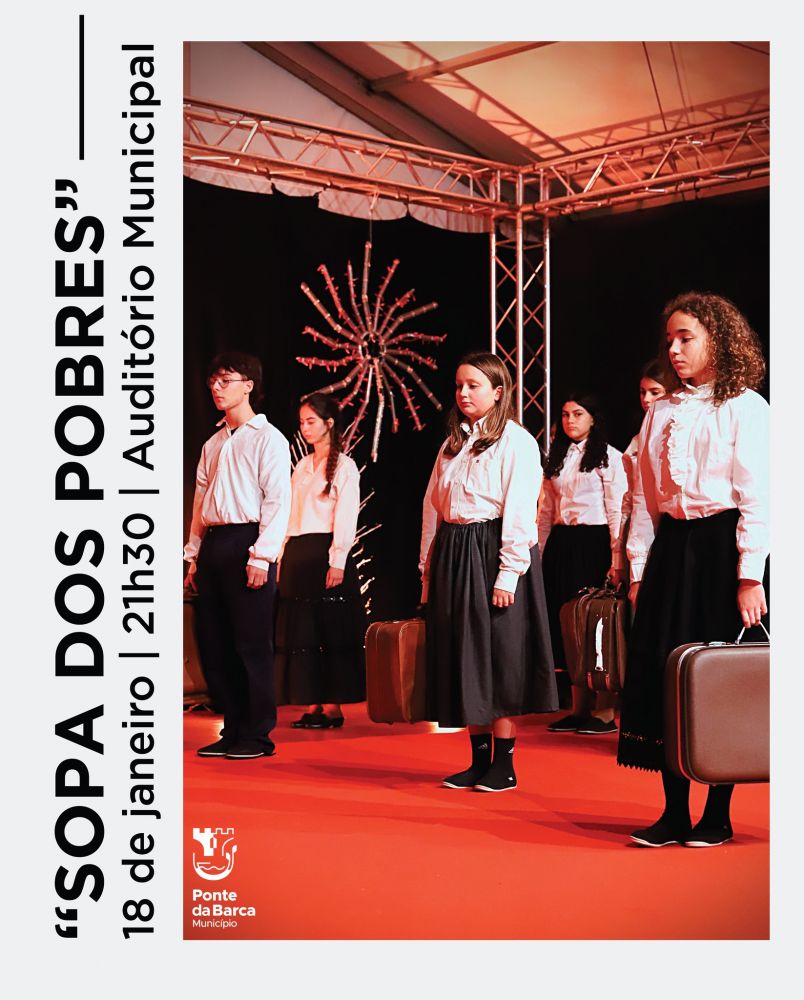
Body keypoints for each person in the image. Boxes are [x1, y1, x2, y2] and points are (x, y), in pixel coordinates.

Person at [619, 292, 768, 847]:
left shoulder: (746, 407)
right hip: (672, 548)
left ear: (718, 340)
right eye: (671, 341)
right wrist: (639, 569)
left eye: (687, 338)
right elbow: (645, 498)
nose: (675, 350)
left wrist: (750, 575)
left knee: (716, 678)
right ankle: (674, 813)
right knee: (668, 673)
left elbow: (759, 496)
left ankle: (718, 814)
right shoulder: (661, 411)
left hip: (722, 549)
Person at [419, 351, 557, 792]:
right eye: (459, 385)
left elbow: (520, 509)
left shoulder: (516, 442)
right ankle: (478, 761)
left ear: (498, 392)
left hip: (493, 548)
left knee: (499, 655)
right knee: (465, 654)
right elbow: (433, 508)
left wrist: (507, 573)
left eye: (473, 386)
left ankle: (505, 765)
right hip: (455, 550)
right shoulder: (452, 443)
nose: (463, 393)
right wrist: (428, 568)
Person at [183, 352, 291, 759]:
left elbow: (277, 501)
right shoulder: (212, 443)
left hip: (248, 541)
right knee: (216, 644)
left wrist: (262, 556)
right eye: (213, 380)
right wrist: (194, 555)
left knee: (251, 644)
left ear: (248, 386)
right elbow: (200, 502)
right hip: (215, 543)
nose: (216, 387)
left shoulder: (268, 438)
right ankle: (232, 729)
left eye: (225, 380)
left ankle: (257, 735)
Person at [274, 393, 366, 728]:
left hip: (324, 551)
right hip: (299, 552)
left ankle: (333, 705)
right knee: (304, 631)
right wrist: (281, 555)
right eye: (302, 422)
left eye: (311, 421)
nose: (305, 428)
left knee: (329, 628)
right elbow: (290, 515)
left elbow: (346, 514)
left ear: (329, 424)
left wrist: (338, 559)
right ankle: (312, 701)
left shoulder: (344, 466)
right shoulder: (302, 466)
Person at [538, 393, 627, 734]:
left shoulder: (609, 457)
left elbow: (616, 509)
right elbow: (546, 511)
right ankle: (578, 709)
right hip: (563, 543)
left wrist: (617, 557)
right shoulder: (557, 458)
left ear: (593, 418)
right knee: (568, 624)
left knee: (597, 624)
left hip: (595, 543)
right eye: (564, 414)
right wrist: (540, 554)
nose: (570, 420)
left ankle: (604, 711)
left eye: (577, 414)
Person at [617, 360, 674, 570]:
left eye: (654, 392)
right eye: (642, 392)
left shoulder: (676, 437)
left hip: (667, 526)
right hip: (637, 527)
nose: (646, 399)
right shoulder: (637, 439)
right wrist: (618, 551)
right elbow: (630, 496)